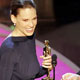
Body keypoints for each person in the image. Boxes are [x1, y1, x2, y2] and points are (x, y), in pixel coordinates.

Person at [0, 0, 52, 80]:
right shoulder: (9, 49)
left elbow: (30, 74)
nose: (31, 24)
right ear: (13, 18)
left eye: (34, 18)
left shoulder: (29, 37)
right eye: (25, 20)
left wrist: (46, 67)